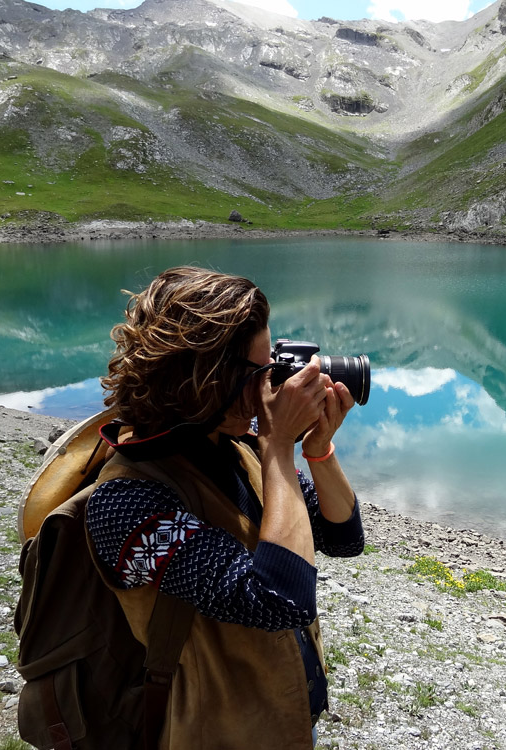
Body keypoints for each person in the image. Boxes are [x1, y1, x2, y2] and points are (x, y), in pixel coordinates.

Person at [85, 266, 365, 749]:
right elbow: (279, 600)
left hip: (281, 715)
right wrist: (279, 445)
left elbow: (344, 536)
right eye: (259, 372)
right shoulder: (126, 501)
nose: (269, 386)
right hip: (211, 729)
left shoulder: (235, 446)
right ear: (203, 379)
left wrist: (316, 449)